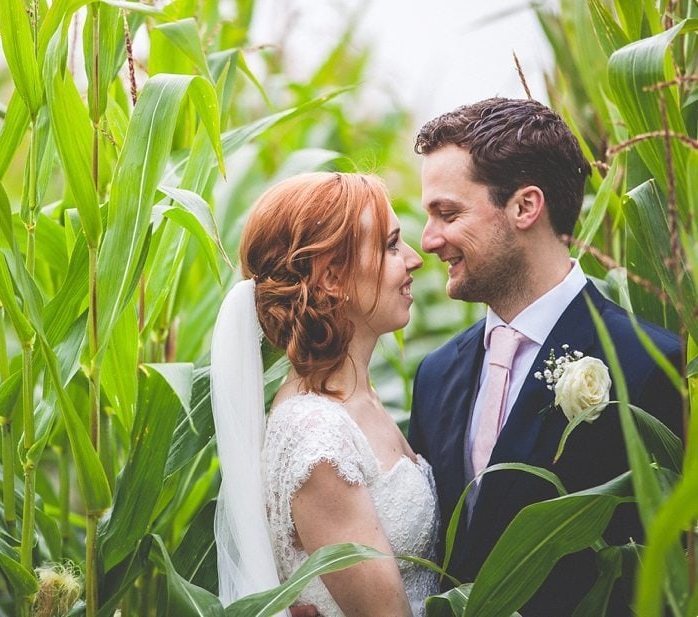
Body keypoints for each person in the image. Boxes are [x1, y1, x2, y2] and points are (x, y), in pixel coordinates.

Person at [407, 97, 683, 616]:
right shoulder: (436, 373)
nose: (429, 239)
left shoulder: (648, 366)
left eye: (448, 213)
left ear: (524, 207)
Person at [211, 172, 438, 617]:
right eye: (392, 246)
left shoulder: (356, 400)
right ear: (332, 278)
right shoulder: (316, 437)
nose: (414, 259)